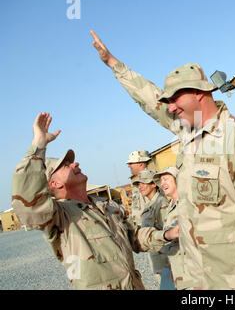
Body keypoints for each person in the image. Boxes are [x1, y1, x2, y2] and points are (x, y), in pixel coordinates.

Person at [91, 30, 235, 290]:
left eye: (175, 98)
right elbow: (149, 99)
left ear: (200, 93)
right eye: (168, 101)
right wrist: (114, 64)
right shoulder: (187, 132)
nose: (170, 107)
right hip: (198, 279)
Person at [11, 112, 178, 290]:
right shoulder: (60, 216)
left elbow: (133, 237)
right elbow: (27, 200)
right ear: (54, 183)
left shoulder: (107, 206)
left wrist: (167, 234)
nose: (75, 164)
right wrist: (38, 145)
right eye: (66, 166)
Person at [132, 169, 173, 290]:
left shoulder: (161, 203)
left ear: (153, 184)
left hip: (165, 258)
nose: (140, 187)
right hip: (156, 256)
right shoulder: (150, 204)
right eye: (139, 184)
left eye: (144, 183)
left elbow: (169, 233)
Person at [153, 166, 190, 290]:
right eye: (161, 181)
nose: (162, 184)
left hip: (190, 271)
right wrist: (172, 268)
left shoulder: (187, 204)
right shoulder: (170, 207)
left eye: (166, 179)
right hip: (177, 268)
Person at [126, 150, 153, 226]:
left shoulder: (149, 180)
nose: (129, 166)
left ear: (140, 164)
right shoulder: (139, 182)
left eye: (131, 163)